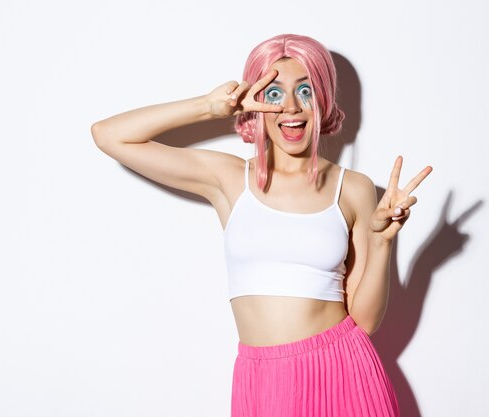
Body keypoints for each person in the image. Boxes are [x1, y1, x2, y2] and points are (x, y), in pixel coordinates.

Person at [91, 33, 432, 417]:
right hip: (260, 382)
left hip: (342, 371)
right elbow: (109, 136)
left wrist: (382, 241)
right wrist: (210, 106)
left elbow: (365, 322)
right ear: (256, 102)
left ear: (323, 99)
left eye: (306, 90)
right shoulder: (229, 178)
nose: (291, 107)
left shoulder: (353, 189)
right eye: (273, 93)